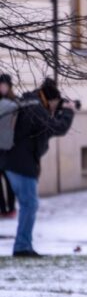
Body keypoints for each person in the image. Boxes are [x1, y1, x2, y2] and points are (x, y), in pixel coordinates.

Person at [0, 78, 75, 256]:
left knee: (28, 205)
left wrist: (59, 111)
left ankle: (23, 245)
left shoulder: (27, 103)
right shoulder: (36, 110)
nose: (54, 108)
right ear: (49, 99)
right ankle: (22, 247)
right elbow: (58, 128)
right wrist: (68, 112)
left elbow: (44, 129)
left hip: (11, 161)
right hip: (21, 165)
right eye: (55, 104)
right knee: (29, 205)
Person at [0, 73, 17, 218]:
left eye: (5, 85)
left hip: (9, 146)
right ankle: (2, 209)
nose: (2, 88)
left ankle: (11, 208)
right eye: (1, 85)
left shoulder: (14, 102)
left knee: (9, 178)